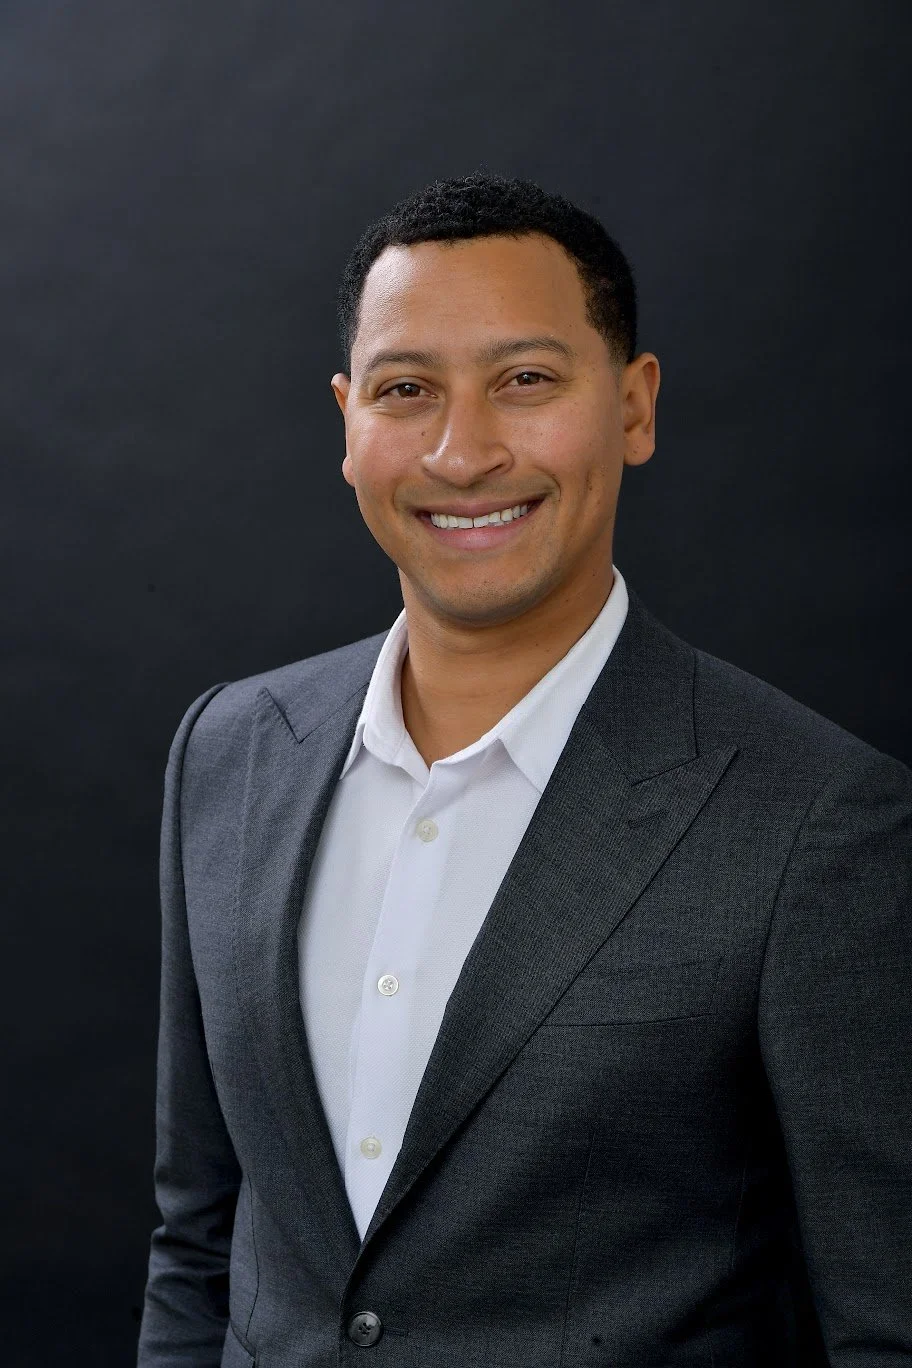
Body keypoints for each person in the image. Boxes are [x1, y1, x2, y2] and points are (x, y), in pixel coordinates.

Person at [136, 171, 912, 1368]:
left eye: (527, 381)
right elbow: (197, 1239)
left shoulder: (815, 820)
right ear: (348, 422)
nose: (463, 450)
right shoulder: (230, 752)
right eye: (407, 391)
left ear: (635, 408)